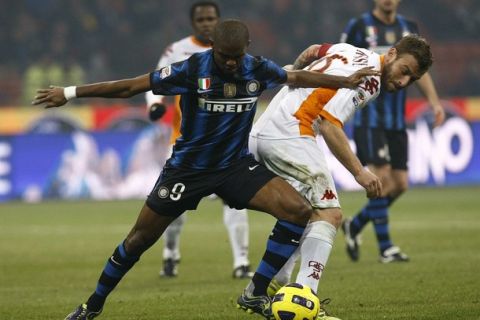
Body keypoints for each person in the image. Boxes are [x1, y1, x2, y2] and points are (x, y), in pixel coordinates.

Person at [33, 19, 378, 320]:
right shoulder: (191, 69)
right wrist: (69, 92)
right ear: (212, 47)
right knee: (139, 240)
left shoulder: (256, 68)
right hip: (187, 172)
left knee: (299, 211)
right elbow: (131, 86)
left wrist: (346, 82)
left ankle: (255, 291)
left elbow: (296, 76)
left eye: (235, 55)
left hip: (234, 167)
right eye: (223, 55)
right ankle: (92, 306)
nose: (229, 62)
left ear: (247, 49)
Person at [249, 34, 433, 319]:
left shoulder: (349, 51)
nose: (404, 82)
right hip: (290, 132)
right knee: (330, 215)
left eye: (413, 79)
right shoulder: (369, 79)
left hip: (265, 127)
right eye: (405, 71)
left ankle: (268, 286)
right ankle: (305, 299)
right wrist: (360, 172)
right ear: (393, 53)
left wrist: (293, 75)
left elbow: (312, 50)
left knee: (302, 212)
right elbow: (328, 123)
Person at [145, 1, 252, 279]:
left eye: (211, 18)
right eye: (201, 19)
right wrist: (156, 104)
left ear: (218, 21)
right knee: (172, 205)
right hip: (187, 142)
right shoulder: (177, 51)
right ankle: (170, 253)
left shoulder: (234, 52)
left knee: (235, 202)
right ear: (194, 23)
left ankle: (241, 262)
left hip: (227, 143)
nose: (206, 23)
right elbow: (154, 81)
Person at [339, 0, 445, 263]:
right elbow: (342, 60)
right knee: (382, 178)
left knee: (400, 184)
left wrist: (434, 102)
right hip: (368, 117)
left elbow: (421, 72)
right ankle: (386, 248)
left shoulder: (409, 28)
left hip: (396, 120)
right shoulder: (359, 26)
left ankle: (355, 225)